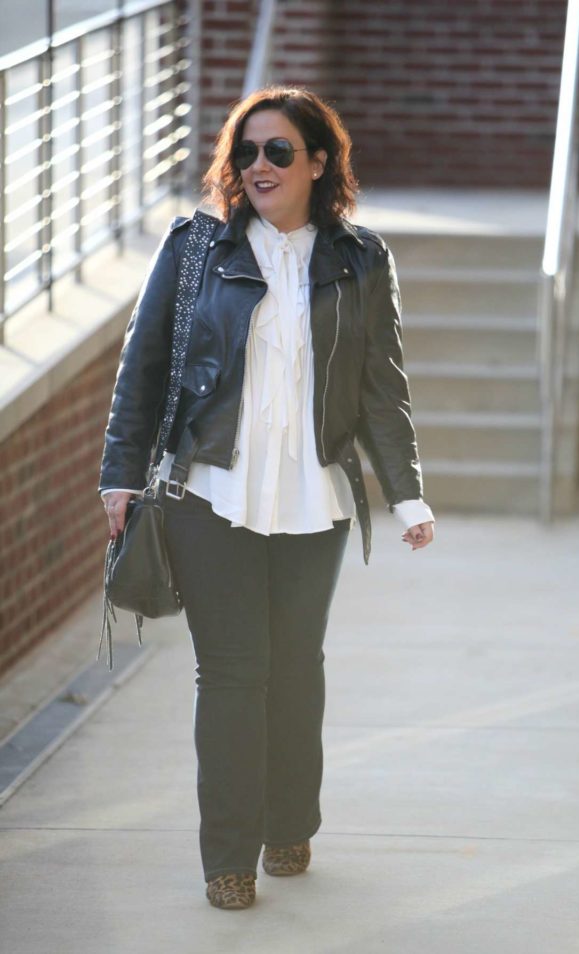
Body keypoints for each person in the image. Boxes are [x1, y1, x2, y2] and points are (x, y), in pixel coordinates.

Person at [99, 85, 435, 910]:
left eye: (278, 151)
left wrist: (408, 496)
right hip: (208, 493)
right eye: (246, 152)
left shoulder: (360, 260)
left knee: (295, 670)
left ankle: (291, 822)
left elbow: (379, 387)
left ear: (318, 163)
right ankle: (227, 857)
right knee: (232, 672)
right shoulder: (194, 250)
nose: (258, 166)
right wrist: (120, 471)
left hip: (314, 499)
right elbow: (142, 368)